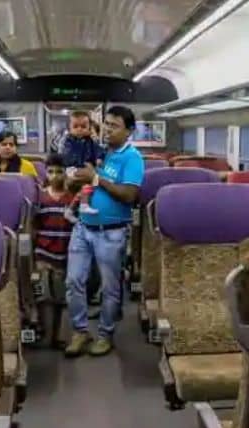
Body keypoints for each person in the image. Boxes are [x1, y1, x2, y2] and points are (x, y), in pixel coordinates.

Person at [63, 105, 144, 358]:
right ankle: (80, 331)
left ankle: (105, 334)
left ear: (129, 131)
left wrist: (96, 179)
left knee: (110, 288)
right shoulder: (96, 150)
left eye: (114, 126)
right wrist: (73, 180)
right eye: (106, 124)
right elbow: (71, 185)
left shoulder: (132, 158)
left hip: (111, 232)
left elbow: (129, 195)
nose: (107, 130)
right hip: (82, 227)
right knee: (73, 281)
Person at [34, 153, 74, 346]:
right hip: (43, 253)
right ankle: (44, 332)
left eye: (59, 171)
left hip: (64, 254)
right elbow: (34, 226)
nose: (55, 176)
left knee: (59, 298)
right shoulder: (40, 197)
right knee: (43, 296)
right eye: (51, 172)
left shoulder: (72, 198)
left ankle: (56, 336)